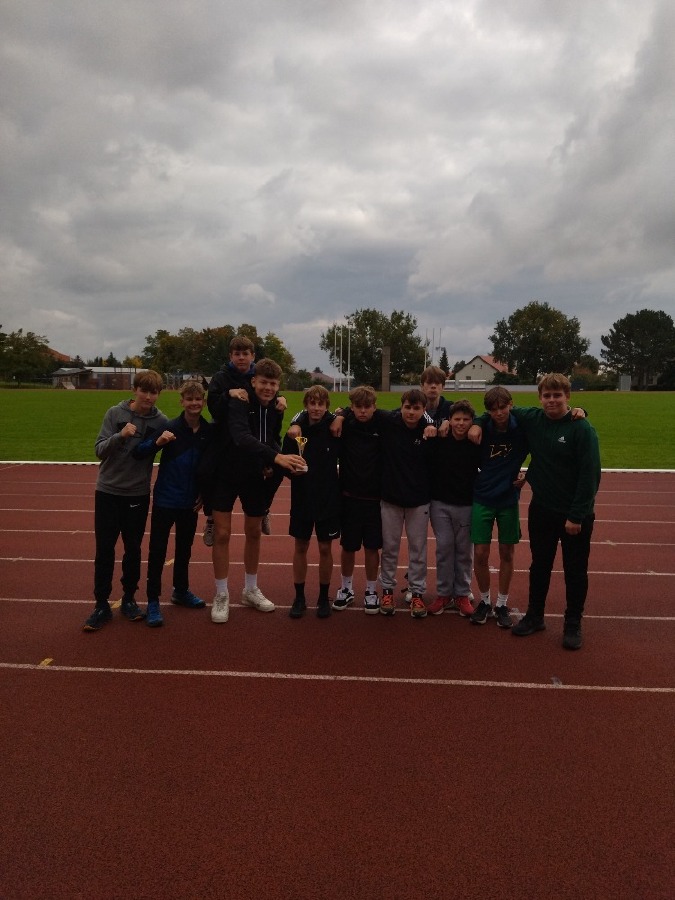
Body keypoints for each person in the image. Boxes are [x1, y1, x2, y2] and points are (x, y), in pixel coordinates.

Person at [470, 374, 600, 649]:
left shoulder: (581, 429)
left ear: (567, 397)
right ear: (539, 398)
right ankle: (535, 616)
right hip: (542, 508)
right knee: (539, 565)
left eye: (557, 395)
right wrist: (479, 422)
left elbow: (590, 475)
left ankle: (573, 623)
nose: (552, 400)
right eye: (547, 395)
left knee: (575, 570)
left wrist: (576, 515)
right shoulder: (533, 418)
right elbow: (495, 409)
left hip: (574, 514)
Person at [209, 358, 304, 623]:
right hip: (226, 472)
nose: (268, 388)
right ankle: (221, 593)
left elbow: (271, 436)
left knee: (253, 532)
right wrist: (276, 457)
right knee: (223, 534)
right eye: (263, 382)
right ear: (253, 381)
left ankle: (250, 589)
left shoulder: (276, 406)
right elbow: (241, 437)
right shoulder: (240, 401)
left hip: (254, 476)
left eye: (273, 384)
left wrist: (275, 462)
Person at [83, 369, 168, 632]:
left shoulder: (161, 421)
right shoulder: (115, 414)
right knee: (105, 550)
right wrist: (120, 436)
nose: (148, 397)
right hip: (108, 491)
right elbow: (99, 450)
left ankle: (129, 599)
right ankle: (101, 604)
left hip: (137, 494)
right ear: (135, 390)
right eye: (144, 391)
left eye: (153, 392)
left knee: (133, 549)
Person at [134, 379, 211, 627]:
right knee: (157, 551)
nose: (194, 403)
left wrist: (204, 494)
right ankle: (153, 600)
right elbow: (139, 451)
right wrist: (158, 442)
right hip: (166, 500)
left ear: (203, 402)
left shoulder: (207, 431)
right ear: (182, 402)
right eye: (189, 399)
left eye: (198, 399)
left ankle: (181, 590)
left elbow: (209, 466)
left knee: (184, 550)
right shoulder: (170, 427)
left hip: (190, 503)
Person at [203, 335, 287, 544]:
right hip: (226, 436)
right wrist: (228, 394)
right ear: (230, 356)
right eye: (237, 354)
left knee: (279, 465)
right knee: (204, 470)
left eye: (245, 354)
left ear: (253, 356)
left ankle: (264, 507)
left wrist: (280, 399)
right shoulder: (221, 377)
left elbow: (269, 390)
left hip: (256, 437)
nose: (241, 358)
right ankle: (210, 516)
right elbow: (213, 408)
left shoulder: (259, 375)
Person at [468, 386, 529, 629]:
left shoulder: (522, 429)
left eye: (503, 407)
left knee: (507, 552)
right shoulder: (483, 427)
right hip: (482, 497)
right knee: (480, 553)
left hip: (508, 499)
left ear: (511, 404)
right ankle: (484, 601)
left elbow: (544, 449)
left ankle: (502, 603)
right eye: (493, 410)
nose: (499, 413)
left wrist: (528, 474)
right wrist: (477, 423)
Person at [282, 386, 340, 619]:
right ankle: (299, 597)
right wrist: (291, 472)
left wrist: (340, 416)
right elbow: (285, 462)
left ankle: (323, 597)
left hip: (328, 498)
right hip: (302, 497)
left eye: (320, 404)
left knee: (325, 548)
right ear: (306, 405)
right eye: (312, 403)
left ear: (326, 406)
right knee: (301, 546)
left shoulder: (335, 428)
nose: (316, 408)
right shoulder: (294, 431)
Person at [376, 389, 435, 619]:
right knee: (389, 548)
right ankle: (387, 591)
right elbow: (356, 410)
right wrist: (339, 416)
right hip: (390, 499)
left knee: (418, 549)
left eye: (416, 408)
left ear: (424, 410)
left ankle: (417, 592)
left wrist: (430, 424)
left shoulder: (429, 431)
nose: (411, 412)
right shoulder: (389, 422)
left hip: (418, 501)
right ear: (401, 407)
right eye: (407, 407)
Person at [331, 386, 383, 615]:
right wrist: (341, 415)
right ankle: (346, 588)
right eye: (358, 407)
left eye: (367, 407)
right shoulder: (346, 423)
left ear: (374, 407)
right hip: (349, 498)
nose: (363, 411)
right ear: (352, 407)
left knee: (372, 548)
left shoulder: (383, 423)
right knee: (348, 547)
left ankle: (371, 591)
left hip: (375, 500)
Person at [427, 400, 481, 617]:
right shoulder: (440, 438)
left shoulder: (476, 441)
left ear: (472, 421)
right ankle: (443, 593)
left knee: (464, 551)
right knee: (444, 548)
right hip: (440, 503)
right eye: (457, 419)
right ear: (449, 420)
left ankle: (462, 593)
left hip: (466, 504)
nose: (461, 423)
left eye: (466, 420)